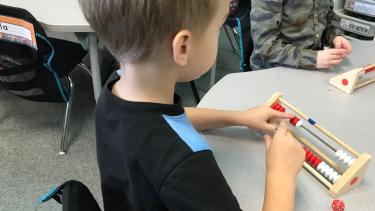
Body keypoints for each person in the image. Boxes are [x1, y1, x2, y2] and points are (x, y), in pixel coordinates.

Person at [79, 0, 305, 210]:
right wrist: (280, 174)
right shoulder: (187, 165)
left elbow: (165, 122)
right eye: (218, 28)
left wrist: (238, 117)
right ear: (183, 47)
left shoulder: (115, 90)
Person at [250, 0, 353, 70]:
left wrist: (335, 36)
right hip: (273, 70)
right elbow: (265, 47)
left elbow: (327, 16)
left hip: (313, 68)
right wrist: (314, 59)